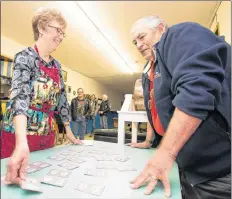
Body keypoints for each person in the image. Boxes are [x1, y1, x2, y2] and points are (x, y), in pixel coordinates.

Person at [129, 16, 231, 198]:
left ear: (161, 28)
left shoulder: (179, 35)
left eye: (142, 37)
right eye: (134, 41)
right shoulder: (149, 69)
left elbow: (197, 91)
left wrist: (165, 154)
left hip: (218, 171)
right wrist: (149, 141)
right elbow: (155, 111)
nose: (138, 44)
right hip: (187, 166)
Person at [1, 7, 83, 185]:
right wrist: (21, 142)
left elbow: (62, 99)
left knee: (41, 179)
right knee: (15, 181)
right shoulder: (25, 57)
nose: (61, 36)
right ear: (41, 28)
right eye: (58, 30)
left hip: (46, 132)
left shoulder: (57, 65)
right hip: (20, 133)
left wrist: (69, 132)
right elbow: (19, 97)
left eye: (63, 33)